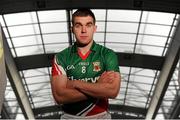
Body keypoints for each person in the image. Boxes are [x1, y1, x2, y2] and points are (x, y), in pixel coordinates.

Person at [51, 9, 121, 119]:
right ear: (72, 29)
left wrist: (75, 83)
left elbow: (112, 91)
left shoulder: (108, 55)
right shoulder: (61, 57)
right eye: (78, 25)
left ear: (94, 28)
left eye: (88, 25)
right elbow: (60, 96)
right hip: (70, 117)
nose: (84, 30)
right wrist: (98, 86)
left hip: (101, 116)